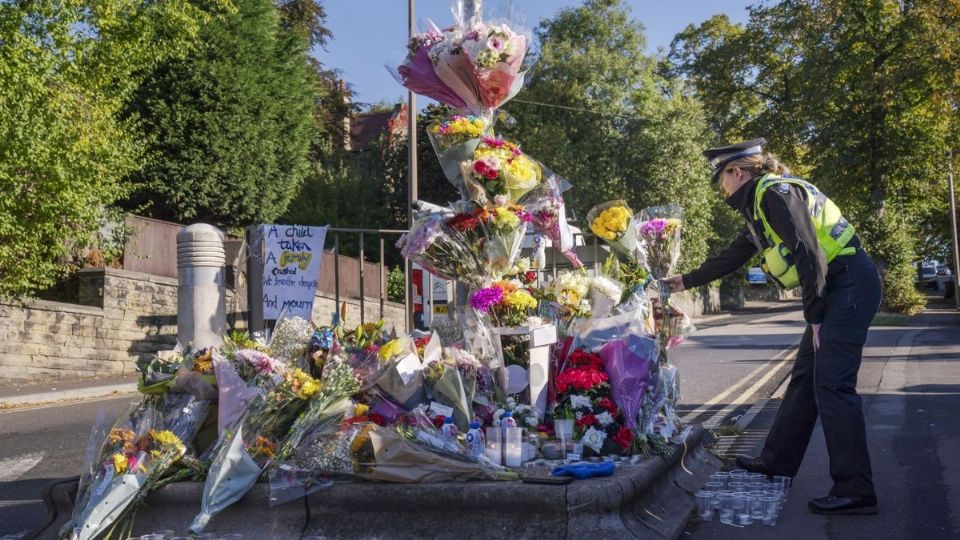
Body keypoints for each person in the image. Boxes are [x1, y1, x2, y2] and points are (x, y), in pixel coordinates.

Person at [663, 138, 883, 515]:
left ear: (737, 172)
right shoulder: (761, 205)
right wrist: (684, 281)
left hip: (849, 283)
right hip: (837, 286)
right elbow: (734, 255)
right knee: (804, 380)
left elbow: (809, 253)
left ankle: (857, 491)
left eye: (722, 179)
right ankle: (776, 462)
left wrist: (814, 317)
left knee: (833, 385)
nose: (721, 188)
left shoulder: (774, 195)